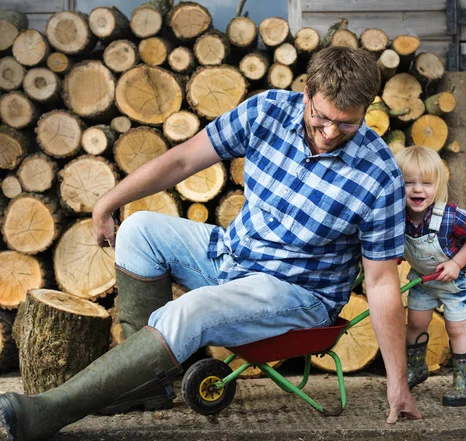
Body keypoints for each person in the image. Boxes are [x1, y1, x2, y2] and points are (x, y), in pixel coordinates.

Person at [0, 47, 421, 441]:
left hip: (297, 293)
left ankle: (50, 411)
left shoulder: (379, 175)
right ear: (306, 91)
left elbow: (383, 282)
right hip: (231, 255)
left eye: (347, 123)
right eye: (321, 117)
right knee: (139, 229)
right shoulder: (266, 111)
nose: (330, 132)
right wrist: (110, 200)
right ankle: (145, 389)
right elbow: (184, 159)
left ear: (367, 109)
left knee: (191, 310)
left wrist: (397, 383)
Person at [394, 145, 466, 407]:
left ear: (438, 185)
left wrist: (457, 263)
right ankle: (416, 368)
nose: (417, 189)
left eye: (426, 183)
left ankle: (463, 381)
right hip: (424, 281)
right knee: (415, 323)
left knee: (456, 328)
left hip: (455, 282)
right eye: (408, 182)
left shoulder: (448, 216)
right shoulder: (397, 218)